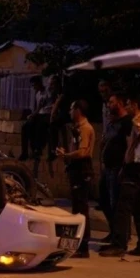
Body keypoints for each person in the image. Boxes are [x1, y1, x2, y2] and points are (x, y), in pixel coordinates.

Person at [100, 94, 140, 258]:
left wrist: (138, 126)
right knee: (139, 210)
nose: (128, 107)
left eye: (129, 104)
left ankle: (119, 245)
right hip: (135, 169)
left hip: (136, 169)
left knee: (122, 208)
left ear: (136, 105)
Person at [56, 100, 95, 258]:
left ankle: (83, 246)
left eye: (72, 109)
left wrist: (67, 155)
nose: (69, 112)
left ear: (78, 110)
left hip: (82, 169)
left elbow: (83, 152)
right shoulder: (76, 129)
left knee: (81, 209)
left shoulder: (85, 128)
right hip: (75, 169)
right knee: (77, 208)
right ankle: (77, 244)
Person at [98, 92, 133, 244]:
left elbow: (129, 145)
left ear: (119, 103)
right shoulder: (112, 122)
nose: (108, 105)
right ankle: (114, 231)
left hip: (117, 168)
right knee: (104, 200)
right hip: (107, 168)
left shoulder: (127, 122)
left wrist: (124, 167)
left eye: (111, 102)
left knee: (116, 203)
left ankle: (121, 236)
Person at [19, 76, 51, 161]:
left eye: (35, 85)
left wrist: (33, 115)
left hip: (47, 114)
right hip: (39, 114)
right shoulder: (37, 94)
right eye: (32, 86)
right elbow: (38, 108)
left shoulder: (47, 92)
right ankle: (24, 152)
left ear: (39, 83)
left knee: (39, 126)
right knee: (25, 127)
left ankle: (37, 149)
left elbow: (41, 106)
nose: (34, 87)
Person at [47, 76, 68, 161]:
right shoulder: (54, 95)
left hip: (67, 114)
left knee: (53, 125)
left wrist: (52, 117)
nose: (51, 87)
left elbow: (56, 107)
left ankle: (54, 150)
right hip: (59, 114)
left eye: (52, 84)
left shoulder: (63, 93)